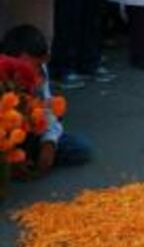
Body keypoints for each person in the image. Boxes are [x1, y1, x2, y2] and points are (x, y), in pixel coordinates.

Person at [1, 25, 92, 175]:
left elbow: (47, 110)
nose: (36, 72)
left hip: (27, 133)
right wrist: (10, 154)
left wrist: (49, 143)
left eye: (40, 65)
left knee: (79, 147)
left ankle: (29, 158)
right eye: (33, 65)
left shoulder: (40, 71)